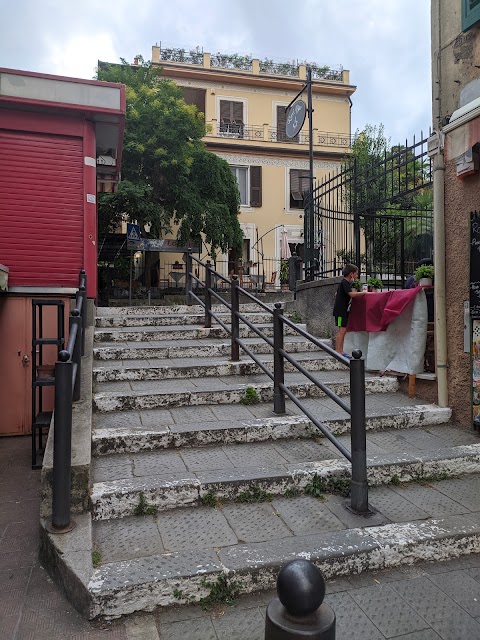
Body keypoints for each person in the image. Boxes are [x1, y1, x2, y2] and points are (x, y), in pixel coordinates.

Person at [333, 264, 368, 356]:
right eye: (356, 274)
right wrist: (364, 293)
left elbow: (337, 294)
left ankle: (341, 350)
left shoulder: (345, 283)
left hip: (342, 311)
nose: (357, 276)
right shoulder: (344, 282)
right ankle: (338, 351)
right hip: (340, 312)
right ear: (351, 274)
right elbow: (351, 294)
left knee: (343, 330)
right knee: (342, 330)